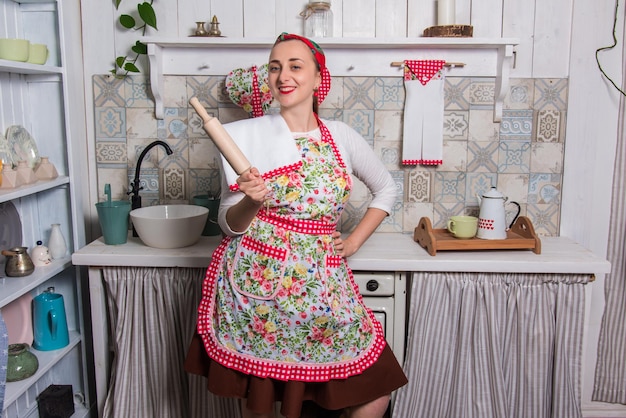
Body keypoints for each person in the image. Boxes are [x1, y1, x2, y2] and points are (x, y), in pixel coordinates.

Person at [185, 32, 407, 418]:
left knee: (376, 393)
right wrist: (252, 201)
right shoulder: (247, 137)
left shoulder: (340, 135)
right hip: (258, 289)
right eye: (274, 67)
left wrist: (353, 242)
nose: (283, 75)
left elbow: (387, 188)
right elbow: (228, 224)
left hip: (322, 284)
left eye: (294, 66)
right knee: (262, 405)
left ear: (319, 78)